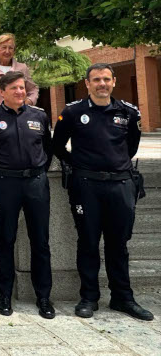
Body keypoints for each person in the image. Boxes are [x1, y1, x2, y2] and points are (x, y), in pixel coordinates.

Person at [52, 64, 154, 321]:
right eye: (96, 79)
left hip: (120, 186)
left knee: (119, 243)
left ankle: (123, 297)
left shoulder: (128, 112)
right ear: (87, 83)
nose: (102, 84)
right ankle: (89, 297)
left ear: (113, 81)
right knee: (87, 242)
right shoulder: (74, 112)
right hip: (86, 186)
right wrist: (78, 165)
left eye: (106, 79)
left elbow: (131, 146)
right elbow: (58, 145)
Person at [0, 70, 54, 319]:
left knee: (40, 241)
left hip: (35, 184)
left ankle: (43, 296)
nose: (21, 92)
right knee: (5, 240)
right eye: (15, 88)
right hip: (5, 184)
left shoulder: (39, 116)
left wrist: (38, 171)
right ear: (2, 92)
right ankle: (5, 294)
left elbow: (48, 149)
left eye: (23, 88)